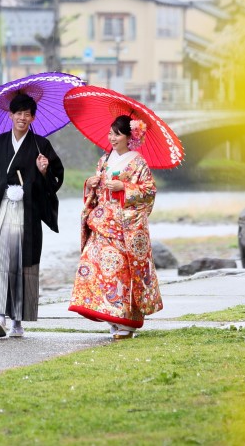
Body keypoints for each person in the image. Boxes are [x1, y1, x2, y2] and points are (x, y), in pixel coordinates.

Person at [0, 93, 64, 338]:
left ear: (33, 117)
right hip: (2, 209)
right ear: (10, 115)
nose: (22, 117)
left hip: (27, 212)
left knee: (23, 264)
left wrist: (43, 171)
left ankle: (18, 320)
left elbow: (55, 180)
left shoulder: (42, 146)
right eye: (18, 113)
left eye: (27, 114)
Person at [68, 115, 163, 340]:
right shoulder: (105, 160)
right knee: (93, 264)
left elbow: (149, 191)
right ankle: (111, 315)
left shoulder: (138, 162)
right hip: (102, 221)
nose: (112, 138)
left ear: (130, 137)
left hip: (125, 224)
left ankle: (126, 321)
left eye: (117, 134)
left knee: (120, 270)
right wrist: (91, 183)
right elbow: (99, 190)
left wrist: (125, 187)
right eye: (110, 133)